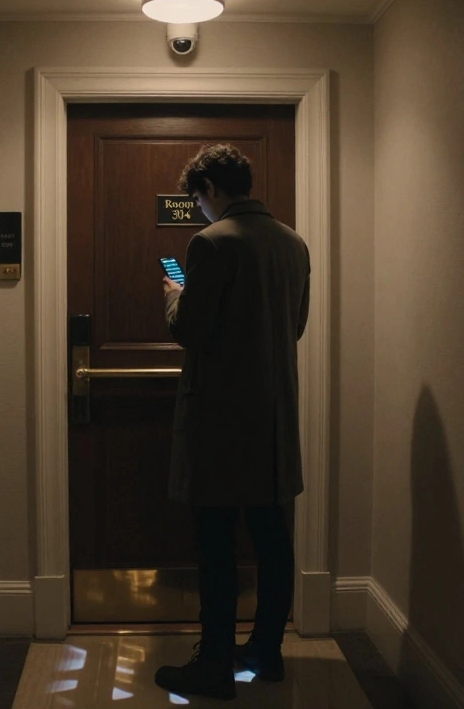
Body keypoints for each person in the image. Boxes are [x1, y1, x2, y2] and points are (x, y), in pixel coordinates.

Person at [153, 144, 311, 700]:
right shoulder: (293, 242)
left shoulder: (211, 242)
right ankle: (267, 650)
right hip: (273, 420)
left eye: (198, 199)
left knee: (215, 546)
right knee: (272, 540)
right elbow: (296, 325)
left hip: (220, 422)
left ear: (211, 189)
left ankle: (215, 665)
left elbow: (190, 330)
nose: (199, 209)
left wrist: (174, 296)